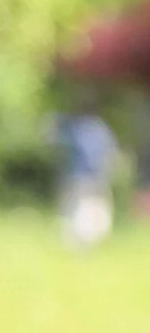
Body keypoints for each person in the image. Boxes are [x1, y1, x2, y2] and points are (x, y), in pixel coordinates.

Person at [52, 100, 119, 247]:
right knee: (94, 209)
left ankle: (80, 241)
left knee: (78, 209)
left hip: (79, 176)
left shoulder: (76, 128)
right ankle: (89, 240)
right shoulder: (102, 129)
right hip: (97, 177)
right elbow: (111, 155)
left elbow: (56, 142)